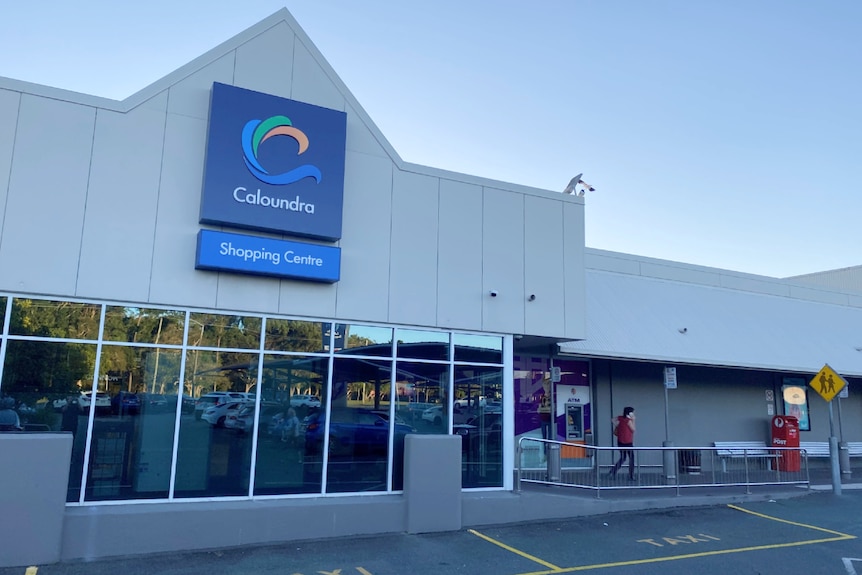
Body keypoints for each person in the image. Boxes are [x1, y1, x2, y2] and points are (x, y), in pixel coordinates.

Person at [610, 406, 636, 480]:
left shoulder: (620, 418)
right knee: (631, 458)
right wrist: (634, 420)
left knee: (623, 458)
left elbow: (612, 420)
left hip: (620, 441)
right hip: (628, 442)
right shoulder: (628, 421)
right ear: (630, 413)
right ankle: (631, 475)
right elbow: (633, 429)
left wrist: (617, 425)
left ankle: (613, 471)